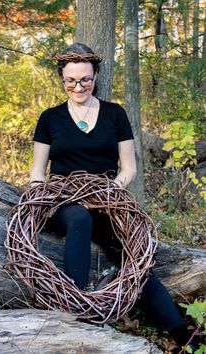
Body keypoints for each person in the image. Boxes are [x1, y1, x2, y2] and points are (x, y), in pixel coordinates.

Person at [30, 42, 195, 350]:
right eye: (71, 80)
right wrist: (41, 195)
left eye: (85, 79)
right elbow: (38, 172)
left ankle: (182, 336)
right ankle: (73, 309)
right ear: (62, 79)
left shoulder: (114, 114)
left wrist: (109, 192)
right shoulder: (50, 118)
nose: (78, 86)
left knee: (134, 259)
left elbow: (128, 168)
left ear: (96, 77)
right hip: (64, 202)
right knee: (79, 216)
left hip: (106, 202)